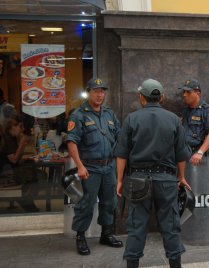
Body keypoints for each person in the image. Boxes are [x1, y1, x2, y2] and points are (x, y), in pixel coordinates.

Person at [115, 79, 191, 268]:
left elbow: (121, 154)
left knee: (136, 227)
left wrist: (119, 180)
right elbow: (182, 155)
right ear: (162, 97)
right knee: (171, 227)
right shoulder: (174, 120)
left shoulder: (132, 119)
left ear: (142, 97)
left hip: (138, 179)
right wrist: (181, 177)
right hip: (166, 180)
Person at [66, 78, 123, 256]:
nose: (99, 95)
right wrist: (80, 166)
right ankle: (81, 237)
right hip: (90, 168)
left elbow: (120, 137)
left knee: (110, 202)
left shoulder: (109, 114)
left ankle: (106, 234)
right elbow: (71, 142)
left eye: (102, 91)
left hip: (109, 167)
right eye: (96, 91)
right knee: (87, 203)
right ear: (88, 92)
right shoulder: (79, 114)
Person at [0, 116, 40, 212]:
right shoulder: (7, 139)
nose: (22, 129)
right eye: (20, 127)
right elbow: (14, 160)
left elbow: (13, 157)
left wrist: (24, 156)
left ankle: (26, 202)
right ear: (13, 127)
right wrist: (22, 143)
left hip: (9, 169)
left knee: (34, 174)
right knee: (36, 178)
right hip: (6, 172)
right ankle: (26, 202)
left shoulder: (11, 137)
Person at [180, 79, 209, 164]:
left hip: (199, 157)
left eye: (188, 92)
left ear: (197, 93)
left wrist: (200, 152)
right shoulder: (186, 110)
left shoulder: (207, 110)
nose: (184, 95)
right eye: (184, 92)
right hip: (185, 154)